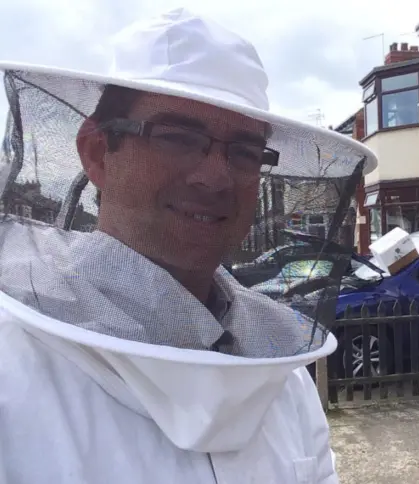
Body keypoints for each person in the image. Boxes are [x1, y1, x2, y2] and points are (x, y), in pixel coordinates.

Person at [0, 8, 376, 484]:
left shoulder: (281, 377)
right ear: (98, 153)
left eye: (243, 151)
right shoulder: (13, 371)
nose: (216, 176)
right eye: (177, 137)